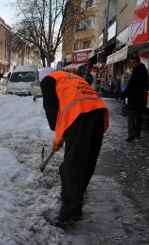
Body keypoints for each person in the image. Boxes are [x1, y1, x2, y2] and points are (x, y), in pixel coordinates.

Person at [40, 70, 109, 227]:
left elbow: (51, 109)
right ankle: (75, 208)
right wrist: (62, 136)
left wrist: (57, 135)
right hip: (97, 112)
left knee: (72, 164)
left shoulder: (47, 81)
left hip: (80, 114)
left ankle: (67, 212)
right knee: (86, 162)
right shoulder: (68, 77)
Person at [121, 56, 149, 142]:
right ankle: (137, 134)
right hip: (141, 98)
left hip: (134, 98)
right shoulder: (145, 72)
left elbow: (130, 86)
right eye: (131, 62)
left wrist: (123, 95)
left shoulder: (136, 72)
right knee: (138, 117)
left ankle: (131, 136)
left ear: (137, 62)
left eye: (133, 62)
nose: (131, 64)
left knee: (131, 117)